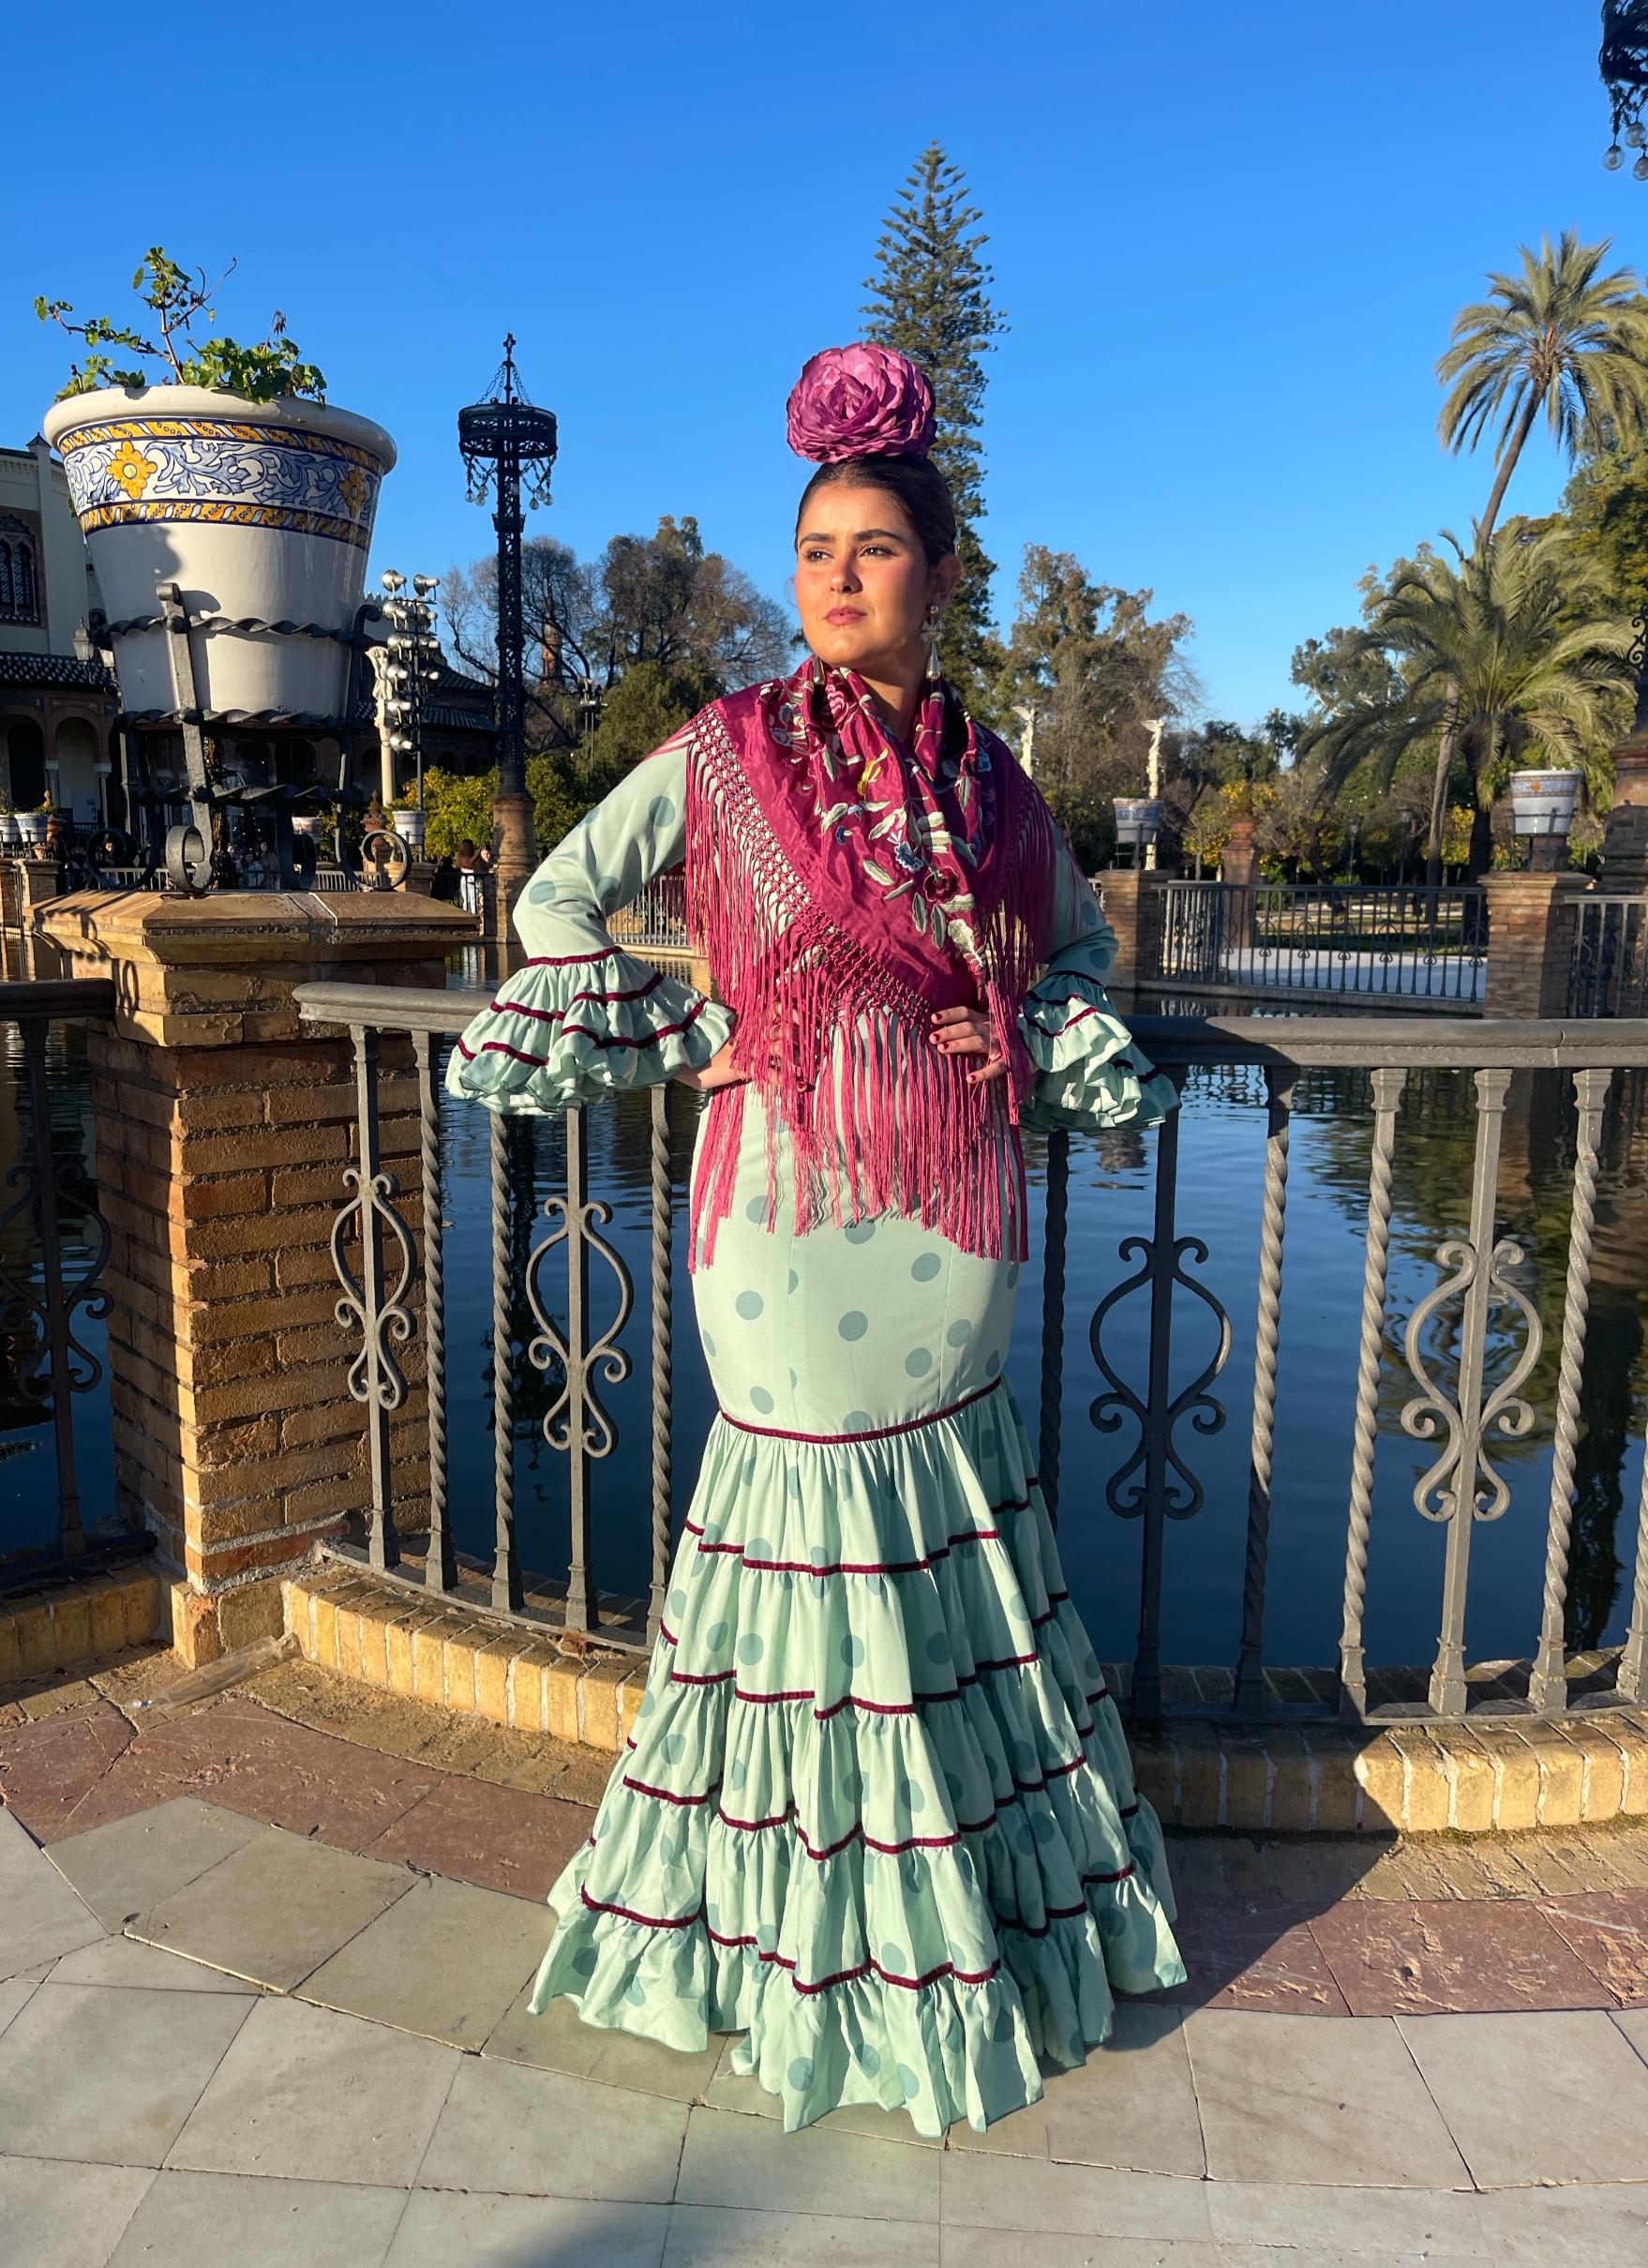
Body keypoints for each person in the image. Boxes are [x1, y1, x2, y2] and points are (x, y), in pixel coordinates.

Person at [445, 343, 1185, 2138]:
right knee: (790, 1532)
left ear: (934, 575)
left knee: (936, 1544)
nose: (834, 577)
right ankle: (770, 1939)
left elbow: (1079, 964)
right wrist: (691, 1026)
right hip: (772, 1221)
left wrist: (1004, 1023)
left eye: (869, 547)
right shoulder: (717, 761)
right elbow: (555, 897)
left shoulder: (997, 799)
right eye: (812, 549)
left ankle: (954, 1936)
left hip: (942, 1227)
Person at [430, 836, 488, 918]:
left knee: (466, 899)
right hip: (471, 879)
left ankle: (466, 915)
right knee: (472, 900)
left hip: (464, 879)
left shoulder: (460, 856)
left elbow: (459, 867)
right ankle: (474, 916)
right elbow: (478, 869)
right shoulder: (472, 858)